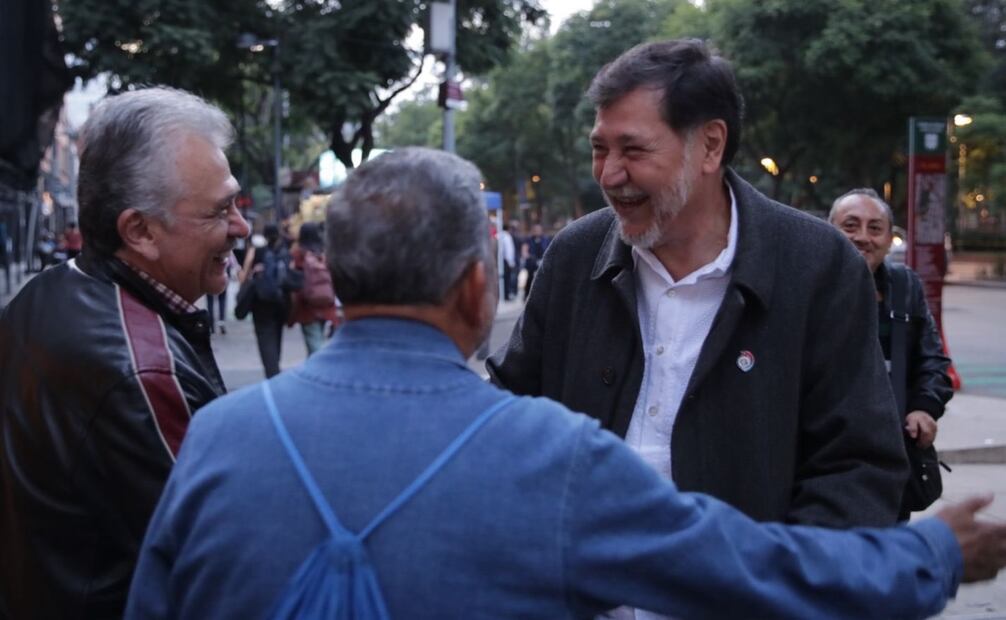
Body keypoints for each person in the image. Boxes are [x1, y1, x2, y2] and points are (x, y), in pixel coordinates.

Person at [127, 147, 1006, 620]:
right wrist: (930, 554)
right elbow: (753, 573)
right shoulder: (553, 460)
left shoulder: (221, 439)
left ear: (338, 278)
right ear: (478, 288)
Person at [489, 39, 907, 530]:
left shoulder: (819, 267)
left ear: (709, 145)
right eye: (599, 149)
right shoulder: (574, 255)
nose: (609, 173)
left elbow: (859, 466)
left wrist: (774, 580)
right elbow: (508, 415)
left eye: (633, 149)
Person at [0, 86, 250, 618]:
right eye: (220, 210)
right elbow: (225, 559)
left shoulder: (44, 293)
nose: (241, 228)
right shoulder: (144, 371)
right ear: (139, 231)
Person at [830, 188, 954, 520]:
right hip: (821, 455)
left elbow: (933, 360)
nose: (862, 237)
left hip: (890, 455)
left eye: (875, 228)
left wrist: (925, 408)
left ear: (888, 239)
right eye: (850, 225)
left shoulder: (904, 286)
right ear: (829, 230)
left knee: (886, 556)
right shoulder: (806, 285)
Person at [241, 223, 292, 377]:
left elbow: (243, 277)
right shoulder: (284, 253)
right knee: (277, 336)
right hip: (281, 301)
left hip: (260, 303)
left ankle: (272, 373)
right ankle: (275, 367)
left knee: (265, 339)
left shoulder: (257, 252)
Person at [287, 221, 337, 355]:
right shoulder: (323, 252)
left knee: (314, 346)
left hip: (307, 306)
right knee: (320, 340)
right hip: (326, 303)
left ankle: (320, 371)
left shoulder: (298, 253)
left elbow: (292, 277)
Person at [521, 222, 549, 299]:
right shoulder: (529, 239)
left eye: (538, 230)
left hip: (543, 262)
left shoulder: (545, 239)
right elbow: (524, 250)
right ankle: (526, 295)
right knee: (530, 278)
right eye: (535, 230)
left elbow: (549, 249)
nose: (537, 231)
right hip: (532, 262)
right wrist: (527, 255)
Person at [499, 221, 517, 300]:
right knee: (507, 279)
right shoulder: (507, 237)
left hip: (500, 261)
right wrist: (511, 262)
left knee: (502, 279)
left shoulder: (498, 236)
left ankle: (502, 295)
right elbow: (509, 251)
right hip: (506, 261)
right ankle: (506, 295)